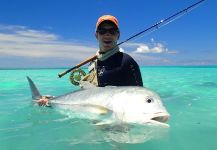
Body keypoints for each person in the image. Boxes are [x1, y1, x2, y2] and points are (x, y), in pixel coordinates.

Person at [37, 15, 143, 106]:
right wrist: (52, 100)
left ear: (118, 35)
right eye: (102, 31)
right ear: (96, 35)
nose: (107, 34)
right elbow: (89, 95)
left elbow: (140, 96)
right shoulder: (93, 63)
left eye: (112, 31)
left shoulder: (127, 61)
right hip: (95, 118)